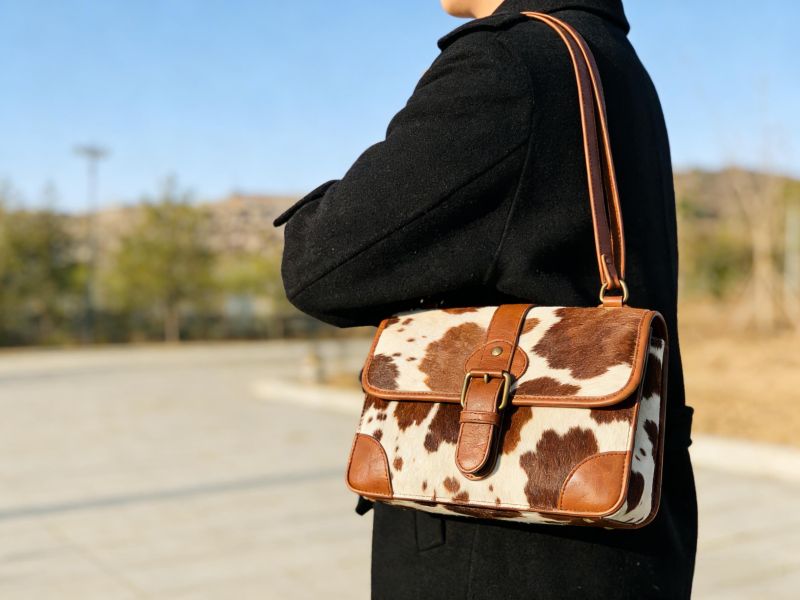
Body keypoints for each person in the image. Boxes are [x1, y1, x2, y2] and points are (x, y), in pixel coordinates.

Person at [273, 0, 697, 597]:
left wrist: (322, 212)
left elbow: (322, 267)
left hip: (503, 548)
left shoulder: (508, 63)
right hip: (618, 533)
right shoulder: (605, 57)